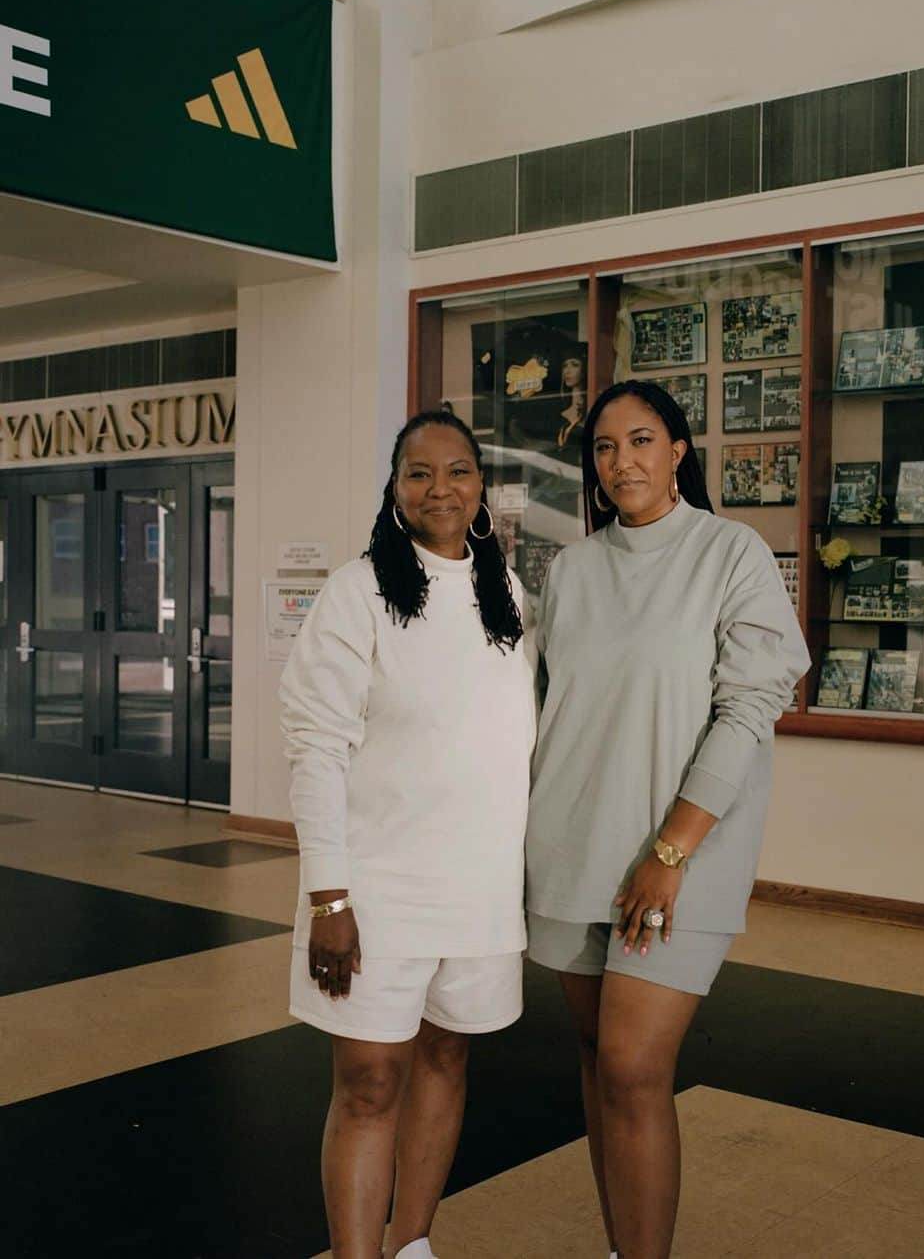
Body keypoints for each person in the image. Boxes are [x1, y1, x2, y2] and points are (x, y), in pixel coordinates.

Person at [526, 379, 810, 1259]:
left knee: (633, 1068)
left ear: (678, 449)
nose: (622, 462)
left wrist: (670, 850)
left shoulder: (731, 553)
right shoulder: (570, 570)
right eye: (605, 448)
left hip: (678, 857)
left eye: (641, 440)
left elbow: (750, 705)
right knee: (597, 1059)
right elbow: (541, 711)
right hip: (569, 844)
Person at [280, 410, 535, 1259]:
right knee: (368, 1084)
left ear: (481, 487)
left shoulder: (507, 594)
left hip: (480, 887)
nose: (441, 489)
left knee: (446, 1061)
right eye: (419, 473)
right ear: (394, 489)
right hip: (377, 887)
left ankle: (413, 1244)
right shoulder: (359, 592)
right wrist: (330, 895)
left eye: (458, 470)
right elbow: (315, 747)